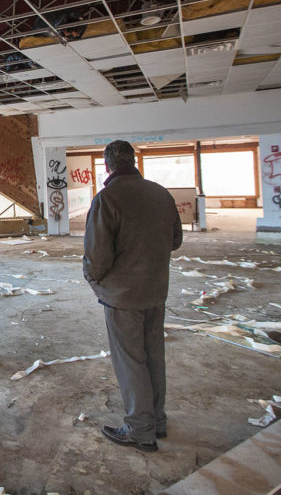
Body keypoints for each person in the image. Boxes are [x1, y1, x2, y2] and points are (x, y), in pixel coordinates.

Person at [83, 140, 183, 452]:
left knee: (131, 361)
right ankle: (157, 419)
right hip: (156, 290)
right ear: (134, 161)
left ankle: (140, 429)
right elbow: (176, 240)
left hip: (123, 296)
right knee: (154, 355)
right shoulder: (160, 193)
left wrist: (93, 279)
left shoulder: (107, 199)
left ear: (107, 166)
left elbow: (97, 259)